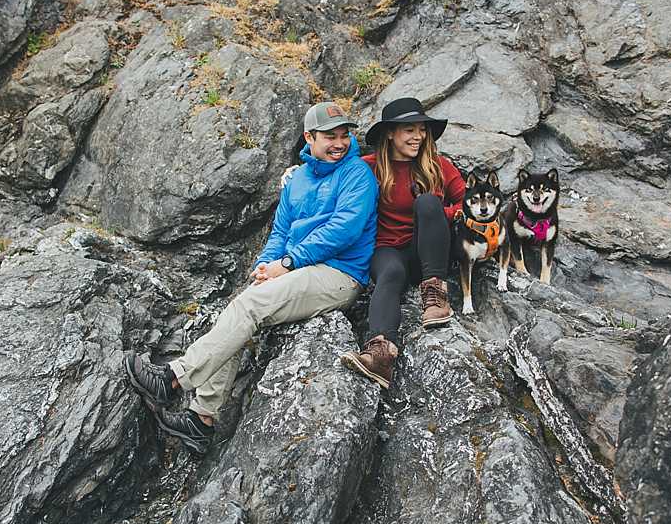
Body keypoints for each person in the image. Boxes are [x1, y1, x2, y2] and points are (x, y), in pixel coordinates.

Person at [124, 102, 379, 453]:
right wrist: (266, 265)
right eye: (330, 137)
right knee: (238, 312)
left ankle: (172, 379)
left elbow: (344, 230)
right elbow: (281, 230)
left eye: (344, 135)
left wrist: (287, 263)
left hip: (339, 274)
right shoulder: (299, 179)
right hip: (298, 267)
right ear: (309, 137)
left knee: (249, 307)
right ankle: (201, 419)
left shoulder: (357, 175)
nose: (340, 143)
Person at [340, 97, 465, 389]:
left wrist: (442, 213)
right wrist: (293, 173)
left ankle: (435, 295)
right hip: (387, 250)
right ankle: (381, 354)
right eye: (409, 130)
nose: (419, 136)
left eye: (421, 130)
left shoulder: (438, 166)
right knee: (390, 273)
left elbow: (466, 202)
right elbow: (332, 180)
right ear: (390, 134)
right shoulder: (367, 167)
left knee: (427, 203)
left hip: (429, 251)